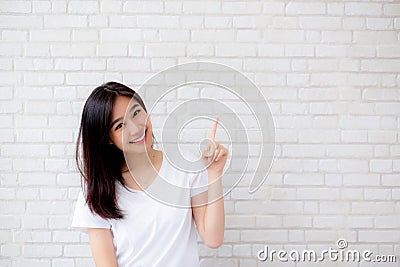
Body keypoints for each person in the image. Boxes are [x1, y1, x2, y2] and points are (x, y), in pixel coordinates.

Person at [71, 82, 228, 267]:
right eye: (120, 125)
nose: (136, 128)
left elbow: (213, 238)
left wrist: (214, 173)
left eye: (136, 113)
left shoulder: (184, 166)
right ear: (107, 139)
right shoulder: (97, 192)